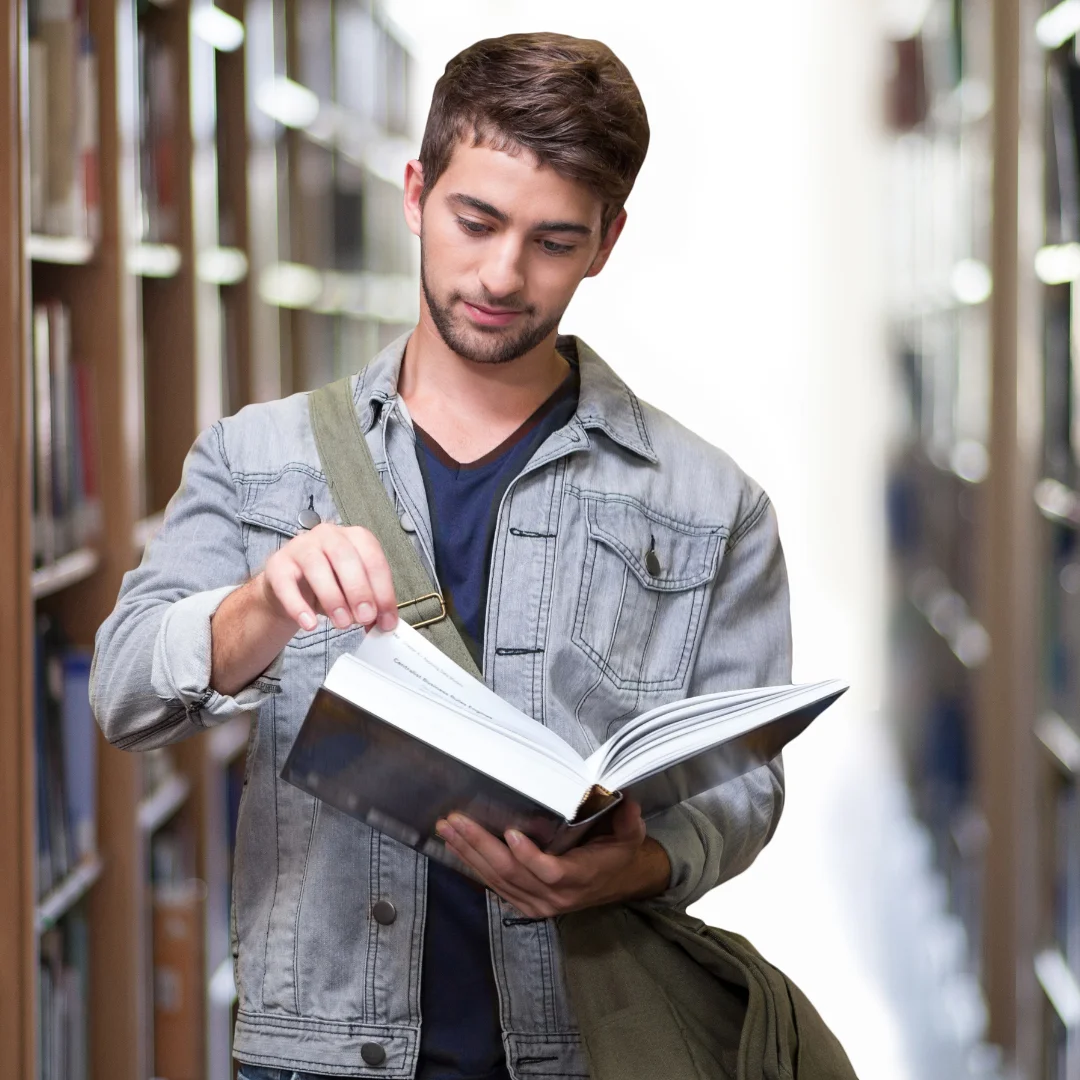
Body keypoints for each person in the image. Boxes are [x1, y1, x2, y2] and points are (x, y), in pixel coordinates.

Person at [92, 32, 791, 1080]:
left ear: (607, 241)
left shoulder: (709, 503)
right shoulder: (257, 460)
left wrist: (637, 865)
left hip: (584, 1049)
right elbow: (123, 692)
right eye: (477, 221)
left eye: (554, 241)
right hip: (317, 1055)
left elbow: (745, 789)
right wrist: (260, 606)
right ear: (417, 191)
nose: (503, 275)